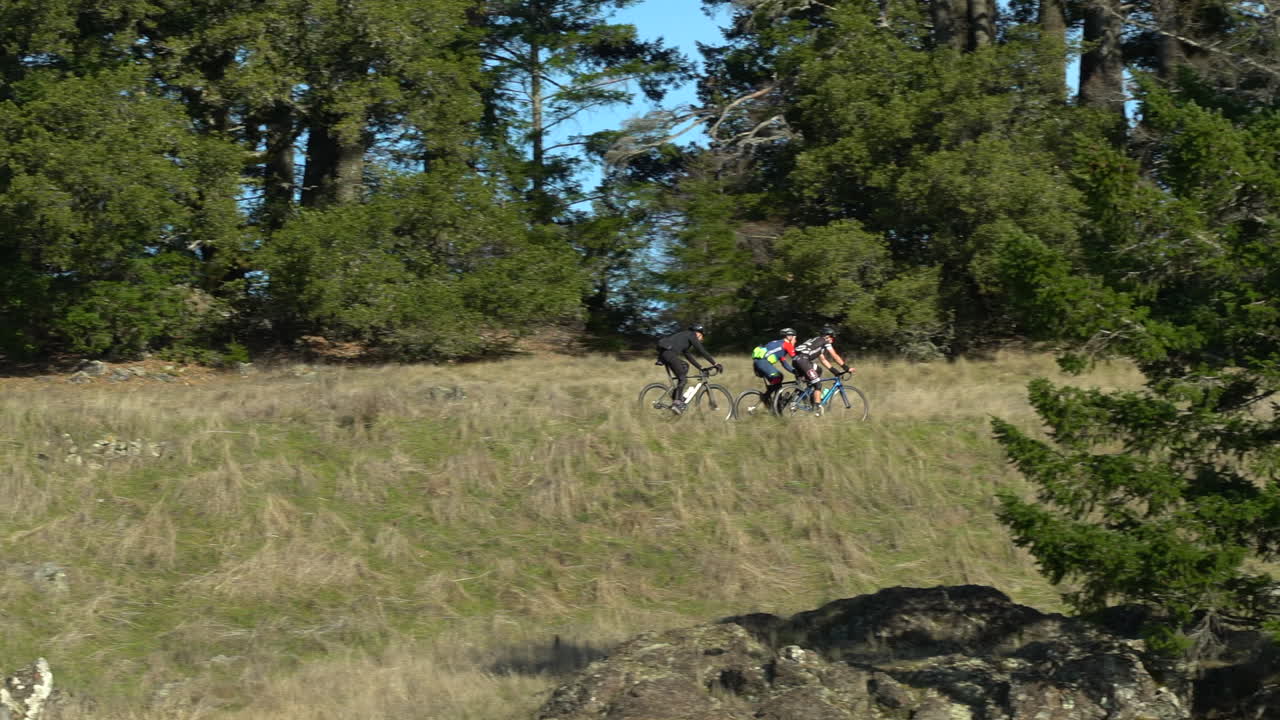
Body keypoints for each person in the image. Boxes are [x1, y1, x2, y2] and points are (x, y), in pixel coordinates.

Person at [656, 323, 723, 414]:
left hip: (666, 354)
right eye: (702, 336)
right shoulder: (692, 335)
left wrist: (701, 367)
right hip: (669, 354)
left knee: (685, 366)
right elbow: (701, 350)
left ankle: (676, 396)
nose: (701, 339)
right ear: (698, 333)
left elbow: (689, 356)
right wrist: (715, 363)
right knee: (683, 379)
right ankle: (677, 403)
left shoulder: (685, 338)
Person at [792, 326, 852, 406]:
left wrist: (835, 372)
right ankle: (817, 408)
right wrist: (846, 368)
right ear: (827, 336)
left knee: (818, 370)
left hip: (796, 360)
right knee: (818, 384)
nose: (832, 340)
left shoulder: (816, 342)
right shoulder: (825, 341)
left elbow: (823, 360)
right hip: (803, 361)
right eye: (832, 338)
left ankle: (804, 397)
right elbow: (834, 356)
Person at [751, 328, 797, 406]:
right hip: (763, 362)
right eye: (794, 337)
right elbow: (796, 359)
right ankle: (765, 397)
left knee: (778, 382)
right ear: (789, 336)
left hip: (757, 363)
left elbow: (784, 363)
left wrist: (794, 371)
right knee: (778, 376)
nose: (795, 340)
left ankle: (776, 405)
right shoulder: (787, 345)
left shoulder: (777, 343)